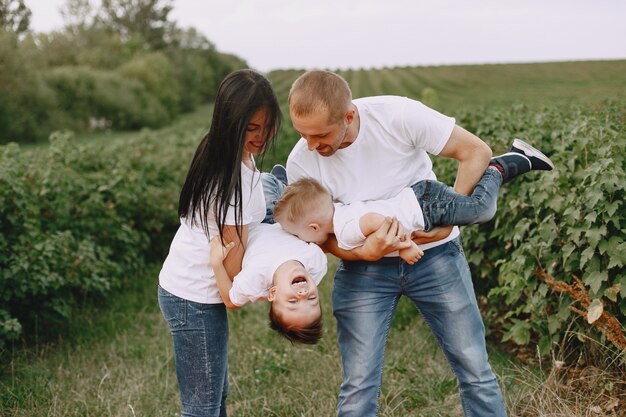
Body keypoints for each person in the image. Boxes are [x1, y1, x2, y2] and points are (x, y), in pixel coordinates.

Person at [285, 69, 547, 416]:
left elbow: (474, 151)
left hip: (436, 257)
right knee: (358, 386)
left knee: (474, 368)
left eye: (320, 135)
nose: (311, 145)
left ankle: (506, 167)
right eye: (302, 134)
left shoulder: (397, 115)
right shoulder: (301, 161)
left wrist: (446, 222)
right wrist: (366, 251)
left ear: (348, 116)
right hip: (363, 270)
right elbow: (319, 236)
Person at [157, 68, 281, 417]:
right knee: (202, 408)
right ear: (232, 123)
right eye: (252, 128)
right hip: (194, 297)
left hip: (188, 291)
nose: (261, 136)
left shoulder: (223, 152)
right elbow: (232, 274)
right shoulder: (234, 179)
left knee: (215, 397)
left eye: (267, 126)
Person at [275, 139, 553, 265]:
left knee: (481, 209)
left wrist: (405, 246)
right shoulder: (339, 212)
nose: (305, 242)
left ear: (313, 227)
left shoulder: (345, 227)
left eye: (299, 236)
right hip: (422, 201)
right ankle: (510, 161)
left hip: (425, 205)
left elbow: (376, 221)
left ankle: (501, 167)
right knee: (477, 208)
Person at [208, 221, 327, 344]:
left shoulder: (256, 279)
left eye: (293, 301)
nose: (303, 293)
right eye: (312, 298)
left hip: (252, 222)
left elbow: (230, 301)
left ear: (272, 293)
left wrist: (216, 263)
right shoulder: (316, 263)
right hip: (281, 215)